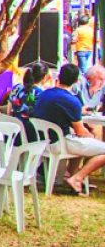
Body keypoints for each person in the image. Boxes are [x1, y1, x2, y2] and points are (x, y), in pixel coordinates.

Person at [30, 64, 105, 195]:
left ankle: (71, 175)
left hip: (44, 141)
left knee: (83, 143)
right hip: (61, 142)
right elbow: (81, 132)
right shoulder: (72, 101)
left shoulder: (44, 94)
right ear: (76, 80)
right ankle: (77, 177)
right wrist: (91, 136)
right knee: (91, 143)